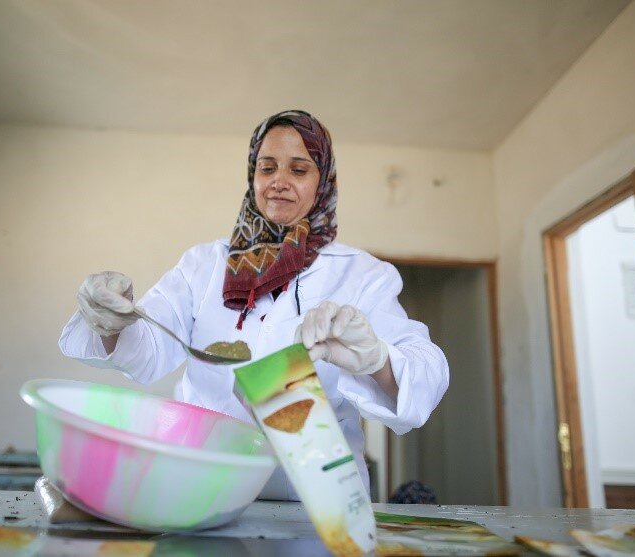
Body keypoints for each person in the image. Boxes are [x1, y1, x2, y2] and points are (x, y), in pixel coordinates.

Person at [60, 109, 449, 500]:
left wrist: (377, 359)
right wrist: (112, 320)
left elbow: (425, 374)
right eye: (267, 168)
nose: (279, 181)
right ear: (253, 176)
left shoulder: (362, 275)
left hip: (315, 502)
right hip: (201, 489)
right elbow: (145, 348)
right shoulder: (204, 265)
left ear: (323, 181)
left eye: (299, 170)